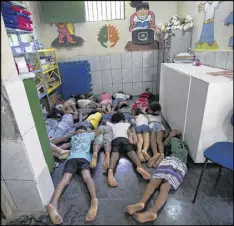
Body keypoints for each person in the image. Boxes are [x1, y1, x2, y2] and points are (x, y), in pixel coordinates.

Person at [125, 129, 188, 223]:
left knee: (155, 181)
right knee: (165, 187)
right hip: (183, 166)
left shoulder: (172, 140)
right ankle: (152, 211)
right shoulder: (184, 144)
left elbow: (165, 143)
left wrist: (170, 135)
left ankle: (141, 203)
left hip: (172, 159)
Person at [47, 127, 102, 224]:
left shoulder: (74, 137)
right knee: (86, 177)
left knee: (65, 180)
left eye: (81, 130)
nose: (80, 131)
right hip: (83, 158)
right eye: (79, 130)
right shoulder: (88, 135)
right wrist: (89, 132)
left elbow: (65, 144)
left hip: (71, 158)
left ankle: (53, 203)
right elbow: (100, 131)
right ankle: (94, 199)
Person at [106, 112, 151, 187]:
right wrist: (132, 136)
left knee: (115, 154)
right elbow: (129, 132)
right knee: (132, 152)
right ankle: (140, 167)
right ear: (123, 119)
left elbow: (106, 122)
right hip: (125, 139)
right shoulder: (126, 124)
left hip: (116, 139)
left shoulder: (113, 124)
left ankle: (110, 172)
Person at [146, 102, 165, 168]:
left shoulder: (148, 115)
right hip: (158, 126)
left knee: (155, 141)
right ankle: (159, 155)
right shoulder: (159, 115)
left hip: (152, 125)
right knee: (157, 141)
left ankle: (157, 155)